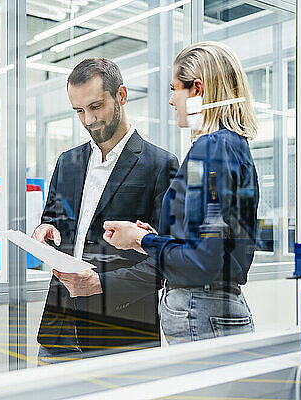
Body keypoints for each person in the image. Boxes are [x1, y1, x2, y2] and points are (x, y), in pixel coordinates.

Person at [102, 41, 260, 344]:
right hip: (217, 306)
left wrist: (141, 239)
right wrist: (152, 241)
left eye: (176, 89)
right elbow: (209, 242)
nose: (172, 100)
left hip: (200, 305)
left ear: (197, 89)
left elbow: (203, 261)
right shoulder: (233, 146)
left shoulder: (211, 149)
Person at [33, 58, 178, 364]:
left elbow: (167, 260)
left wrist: (100, 284)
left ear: (121, 95)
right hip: (58, 329)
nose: (88, 120)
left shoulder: (159, 165)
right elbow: (53, 220)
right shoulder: (67, 162)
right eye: (78, 111)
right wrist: (43, 231)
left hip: (120, 333)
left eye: (96, 106)